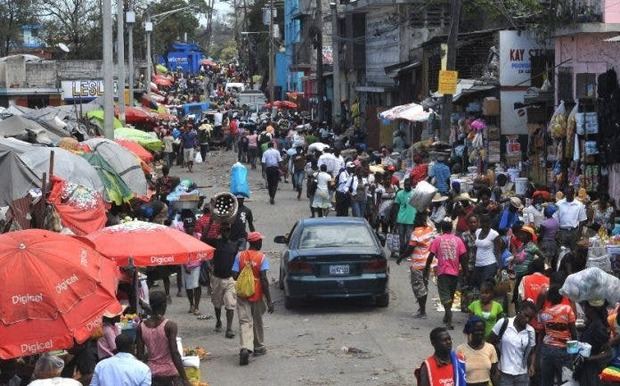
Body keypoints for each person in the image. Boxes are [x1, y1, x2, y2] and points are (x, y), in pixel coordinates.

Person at [231, 232, 275, 365]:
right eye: (260, 240)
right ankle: (259, 347)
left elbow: (234, 274)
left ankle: (245, 347)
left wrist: (245, 279)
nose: (261, 242)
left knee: (245, 321)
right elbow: (264, 279)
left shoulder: (240, 255)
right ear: (257, 243)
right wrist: (269, 300)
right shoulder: (262, 258)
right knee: (257, 320)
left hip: (242, 293)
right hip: (256, 293)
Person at [136, 291, 190, 386]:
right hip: (169, 374)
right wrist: (185, 379)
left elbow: (139, 355)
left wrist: (152, 354)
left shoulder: (141, 327)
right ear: (164, 305)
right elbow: (174, 353)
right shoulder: (170, 326)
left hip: (151, 373)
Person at [425, 219, 467, 330]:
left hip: (443, 272)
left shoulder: (438, 240)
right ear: (451, 229)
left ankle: (449, 318)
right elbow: (463, 257)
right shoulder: (458, 240)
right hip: (455, 273)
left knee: (445, 296)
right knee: (451, 295)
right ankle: (446, 315)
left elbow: (430, 256)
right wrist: (466, 272)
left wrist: (426, 268)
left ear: (442, 229)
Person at [488, 301, 537, 386]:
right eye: (526, 315)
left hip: (522, 375)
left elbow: (532, 351)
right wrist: (494, 366)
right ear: (519, 310)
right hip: (503, 373)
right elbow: (489, 343)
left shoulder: (530, 331)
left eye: (530, 318)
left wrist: (532, 365)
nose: (527, 320)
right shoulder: (504, 323)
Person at [397, 211, 434, 319]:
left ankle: (422, 311)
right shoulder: (429, 229)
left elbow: (410, 249)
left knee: (419, 287)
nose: (413, 221)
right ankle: (422, 309)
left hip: (418, 264)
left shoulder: (416, 233)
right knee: (424, 286)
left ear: (418, 221)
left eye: (415, 219)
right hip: (427, 263)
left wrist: (400, 257)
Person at [537, 284, 577, 386]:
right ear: (561, 297)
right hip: (564, 350)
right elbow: (573, 332)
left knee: (546, 381)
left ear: (548, 298)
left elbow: (541, 334)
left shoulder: (544, 313)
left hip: (547, 350)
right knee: (566, 381)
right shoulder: (567, 309)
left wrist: (539, 351)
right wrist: (575, 352)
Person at [209, 224, 238, 338]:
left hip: (229, 278)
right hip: (217, 278)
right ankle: (218, 321)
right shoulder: (216, 243)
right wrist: (211, 221)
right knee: (217, 303)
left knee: (230, 304)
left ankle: (229, 328)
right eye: (224, 230)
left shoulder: (233, 245)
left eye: (228, 230)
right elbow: (204, 238)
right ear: (221, 231)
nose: (226, 232)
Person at [574, 300, 611, 386]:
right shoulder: (590, 323)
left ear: (591, 309)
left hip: (593, 370)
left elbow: (608, 352)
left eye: (585, 307)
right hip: (584, 367)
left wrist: (591, 358)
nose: (584, 309)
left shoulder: (598, 327)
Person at [456, 317, 498, 386]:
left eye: (482, 330)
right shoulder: (460, 349)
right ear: (470, 331)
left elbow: (494, 373)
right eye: (476, 330)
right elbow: (458, 374)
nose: (480, 333)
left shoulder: (490, 348)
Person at [472, 213, 502, 290]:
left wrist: (499, 267)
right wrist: (474, 260)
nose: (485, 224)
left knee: (485, 286)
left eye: (487, 222)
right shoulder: (477, 232)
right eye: (483, 222)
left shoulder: (494, 234)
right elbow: (476, 248)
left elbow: (498, 251)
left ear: (490, 223)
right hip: (478, 264)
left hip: (489, 264)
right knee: (478, 286)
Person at [180, 215, 202, 315]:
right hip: (186, 265)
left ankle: (197, 306)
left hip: (197, 264)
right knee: (188, 286)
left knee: (197, 285)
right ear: (185, 227)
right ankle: (191, 304)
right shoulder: (181, 238)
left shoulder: (198, 236)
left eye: (192, 226)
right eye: (188, 226)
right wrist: (184, 266)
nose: (190, 228)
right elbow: (181, 253)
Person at [554, 186, 587, 251]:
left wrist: (578, 234)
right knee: (562, 252)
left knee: (574, 252)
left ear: (573, 194)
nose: (568, 196)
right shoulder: (559, 204)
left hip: (574, 232)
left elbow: (582, 221)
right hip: (562, 232)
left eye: (570, 194)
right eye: (567, 194)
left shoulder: (579, 205)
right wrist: (557, 232)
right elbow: (555, 218)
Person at [395, 179, 417, 256]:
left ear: (411, 185)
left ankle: (407, 253)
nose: (407, 186)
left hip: (411, 220)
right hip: (400, 219)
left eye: (408, 185)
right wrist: (395, 220)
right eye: (405, 185)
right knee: (401, 238)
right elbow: (396, 207)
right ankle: (401, 252)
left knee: (409, 238)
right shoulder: (399, 193)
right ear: (403, 185)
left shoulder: (415, 194)